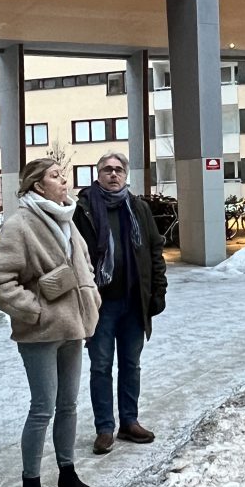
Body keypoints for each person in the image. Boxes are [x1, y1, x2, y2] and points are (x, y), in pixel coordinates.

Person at [0, 158, 101, 487]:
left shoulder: (68, 219)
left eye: (63, 175)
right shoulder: (20, 224)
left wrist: (91, 297)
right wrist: (35, 311)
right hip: (40, 334)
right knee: (42, 409)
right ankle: (30, 485)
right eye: (55, 176)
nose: (64, 181)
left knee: (69, 406)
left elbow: (84, 265)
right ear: (38, 185)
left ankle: (67, 473)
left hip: (74, 328)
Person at [74, 151, 167, 455]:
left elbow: (154, 249)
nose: (113, 174)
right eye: (107, 169)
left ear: (125, 175)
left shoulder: (138, 207)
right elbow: (74, 257)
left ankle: (129, 421)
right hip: (100, 305)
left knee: (131, 364)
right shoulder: (84, 210)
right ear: (98, 175)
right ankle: (104, 428)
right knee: (101, 366)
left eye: (118, 170)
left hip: (134, 301)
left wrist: (158, 291)